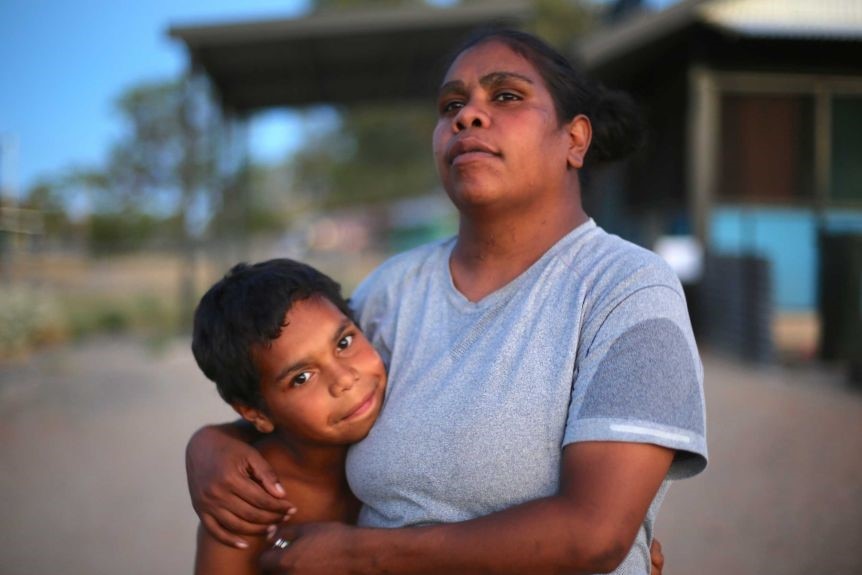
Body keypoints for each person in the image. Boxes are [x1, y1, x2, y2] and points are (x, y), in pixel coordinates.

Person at [186, 28, 707, 574]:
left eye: (505, 95)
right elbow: (309, 391)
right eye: (451, 105)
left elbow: (593, 534)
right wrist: (212, 445)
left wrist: (363, 555)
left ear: (575, 140)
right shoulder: (392, 290)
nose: (467, 116)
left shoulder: (626, 290)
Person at [189, 259, 387, 575]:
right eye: (302, 378)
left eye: (344, 342)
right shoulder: (249, 499)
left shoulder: (405, 401)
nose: (344, 380)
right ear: (255, 413)